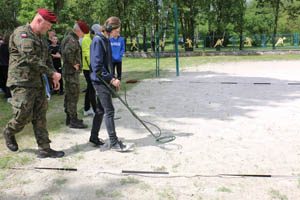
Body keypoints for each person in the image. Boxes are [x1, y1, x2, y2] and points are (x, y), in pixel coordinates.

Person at [2, 8, 64, 158]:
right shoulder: (21, 33)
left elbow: (47, 59)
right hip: (22, 82)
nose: (49, 29)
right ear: (38, 20)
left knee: (40, 115)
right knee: (23, 115)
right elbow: (30, 58)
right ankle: (9, 131)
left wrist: (53, 77)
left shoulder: (42, 38)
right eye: (47, 25)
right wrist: (51, 73)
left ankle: (44, 148)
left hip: (38, 82)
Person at [90, 16, 129, 151]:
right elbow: (97, 67)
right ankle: (113, 142)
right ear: (109, 28)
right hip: (99, 82)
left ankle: (93, 137)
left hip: (105, 80)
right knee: (109, 111)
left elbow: (108, 65)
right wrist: (111, 79)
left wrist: (113, 79)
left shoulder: (106, 40)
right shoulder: (97, 41)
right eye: (116, 31)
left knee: (100, 110)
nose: (117, 34)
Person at [61, 21, 89, 129]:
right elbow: (67, 53)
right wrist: (74, 64)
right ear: (78, 31)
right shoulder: (71, 39)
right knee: (73, 95)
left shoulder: (70, 38)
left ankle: (70, 118)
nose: (83, 36)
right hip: (71, 72)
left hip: (70, 72)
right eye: (83, 33)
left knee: (70, 95)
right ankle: (73, 120)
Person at [82, 24, 101, 116]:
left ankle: (86, 109)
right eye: (95, 35)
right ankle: (95, 110)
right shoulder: (86, 39)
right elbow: (87, 54)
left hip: (92, 67)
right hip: (88, 68)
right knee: (92, 89)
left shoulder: (92, 39)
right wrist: (93, 66)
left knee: (90, 88)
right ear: (92, 32)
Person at [0, 33, 11, 101]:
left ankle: (5, 93)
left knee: (3, 80)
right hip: (8, 65)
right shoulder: (10, 47)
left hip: (1, 65)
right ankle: (8, 95)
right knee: (8, 80)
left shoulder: (1, 46)